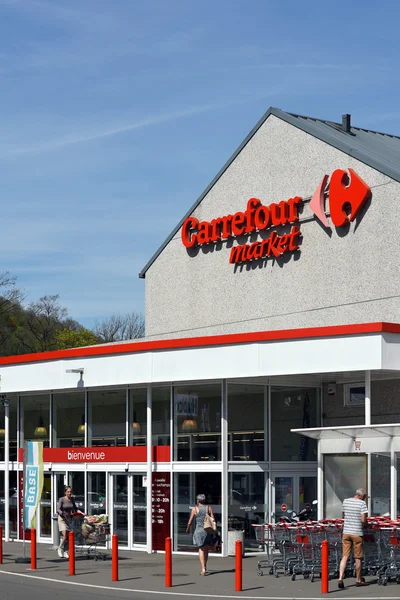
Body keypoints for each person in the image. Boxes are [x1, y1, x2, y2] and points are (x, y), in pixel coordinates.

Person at [338, 488, 369, 589]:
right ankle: (358, 580)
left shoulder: (346, 501)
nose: (364, 499)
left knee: (345, 556)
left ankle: (340, 578)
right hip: (357, 533)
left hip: (346, 532)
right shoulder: (362, 504)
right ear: (361, 496)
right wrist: (366, 524)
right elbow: (363, 519)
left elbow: (343, 515)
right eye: (364, 497)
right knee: (358, 557)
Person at [186, 493, 215, 575]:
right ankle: (205, 566)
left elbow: (190, 521)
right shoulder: (208, 508)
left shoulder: (195, 509)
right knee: (206, 549)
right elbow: (213, 520)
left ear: (198, 500)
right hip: (207, 531)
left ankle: (203, 569)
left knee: (201, 549)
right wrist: (214, 529)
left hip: (199, 531)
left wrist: (187, 529)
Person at [56, 486, 85, 558]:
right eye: (68, 492)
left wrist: (82, 513)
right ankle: (60, 548)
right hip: (62, 518)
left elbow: (75, 509)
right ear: (65, 492)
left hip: (69, 519)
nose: (69, 493)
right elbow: (58, 509)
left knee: (68, 537)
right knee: (65, 535)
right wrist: (62, 513)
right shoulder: (62, 499)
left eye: (70, 492)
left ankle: (65, 551)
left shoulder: (72, 499)